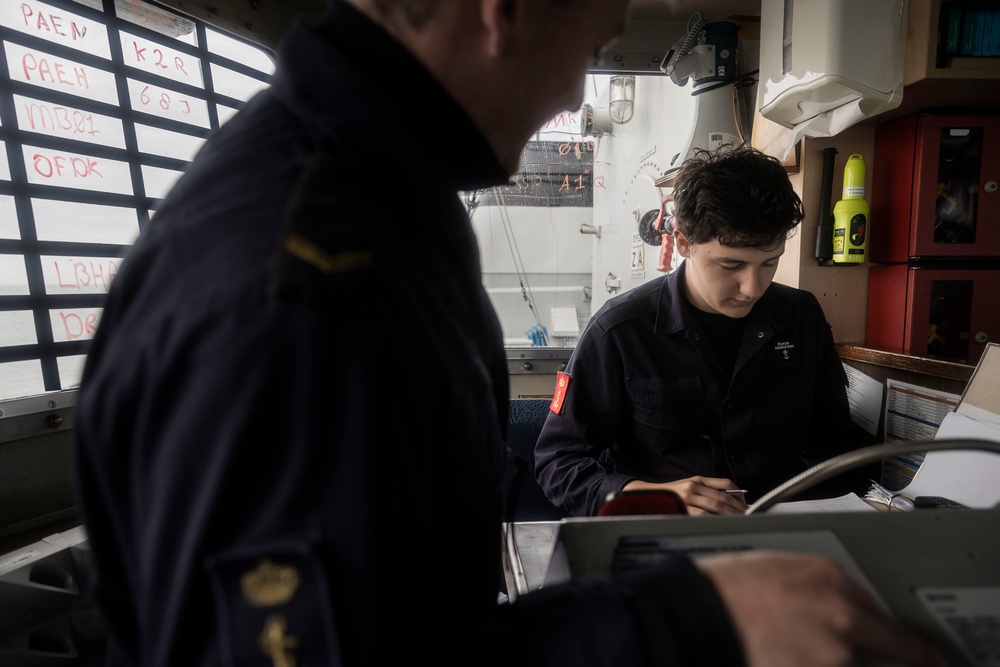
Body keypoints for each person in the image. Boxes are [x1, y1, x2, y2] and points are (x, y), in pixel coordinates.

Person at [71, 2, 944, 666]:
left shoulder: (386, 206)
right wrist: (693, 614)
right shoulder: (311, 275)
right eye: (592, 49)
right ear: (501, 10)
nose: (574, 90)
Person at [535, 145, 867, 517]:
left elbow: (836, 446)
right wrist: (648, 498)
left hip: (779, 537)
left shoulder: (801, 318)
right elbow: (557, 464)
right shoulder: (619, 331)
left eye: (769, 263)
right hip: (662, 539)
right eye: (731, 265)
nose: (753, 288)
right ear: (682, 243)